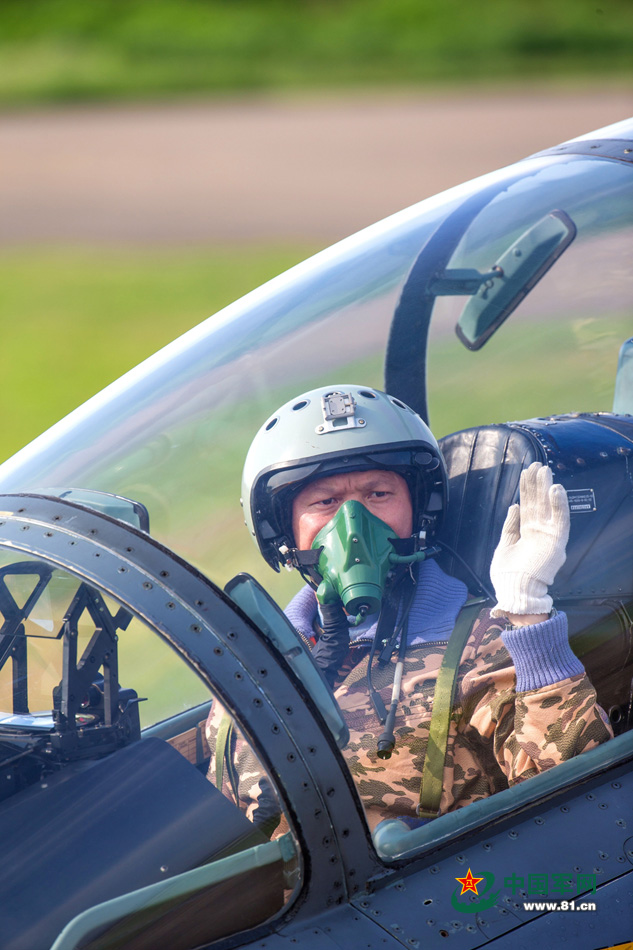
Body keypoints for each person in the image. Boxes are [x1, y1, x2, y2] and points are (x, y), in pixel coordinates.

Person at [215, 384, 612, 831]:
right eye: (325, 502)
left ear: (419, 513)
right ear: (284, 530)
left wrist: (528, 613)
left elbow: (582, 796)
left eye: (378, 494)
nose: (352, 528)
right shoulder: (252, 658)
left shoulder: (480, 644)